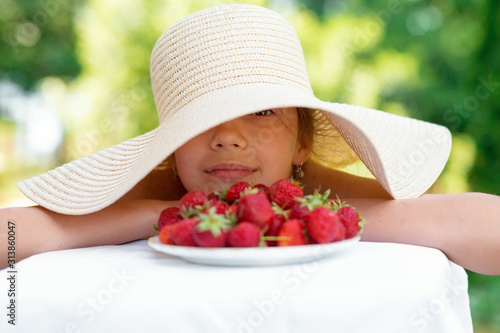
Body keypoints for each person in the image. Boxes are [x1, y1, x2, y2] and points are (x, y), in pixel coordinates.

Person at [1, 4, 499, 275]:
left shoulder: (313, 190)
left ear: (302, 143)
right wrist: (169, 214)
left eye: (262, 112)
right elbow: (9, 236)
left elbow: (484, 227)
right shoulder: (160, 186)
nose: (228, 138)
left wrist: (304, 215)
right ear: (171, 145)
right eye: (200, 122)